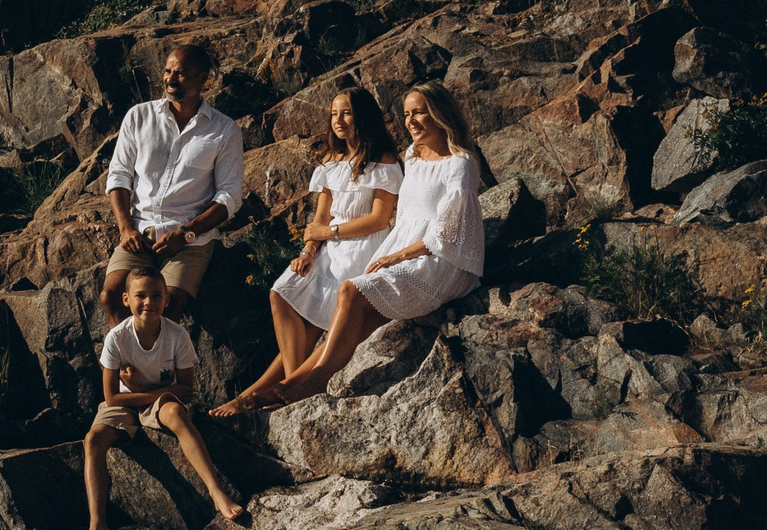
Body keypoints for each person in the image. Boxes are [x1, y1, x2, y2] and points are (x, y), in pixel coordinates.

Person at [222, 81, 488, 410]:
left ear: (440, 113)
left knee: (350, 291)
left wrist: (397, 255)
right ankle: (288, 385)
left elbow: (449, 230)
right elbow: (402, 218)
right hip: (402, 253)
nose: (411, 121)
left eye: (419, 112)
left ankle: (314, 382)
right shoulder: (414, 156)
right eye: (407, 114)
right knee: (353, 318)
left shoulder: (460, 163)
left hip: (439, 262)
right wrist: (313, 249)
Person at [212, 87, 400, 416]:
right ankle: (289, 388)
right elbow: (321, 217)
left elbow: (379, 219)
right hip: (328, 248)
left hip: (363, 248)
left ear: (363, 116)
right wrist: (309, 251)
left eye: (347, 113)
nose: (338, 120)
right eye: (334, 114)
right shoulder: (332, 162)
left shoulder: (383, 160)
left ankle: (261, 395)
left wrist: (329, 233)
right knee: (281, 293)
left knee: (313, 326)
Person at [75, 269, 247, 530]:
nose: (148, 302)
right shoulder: (117, 338)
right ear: (126, 300)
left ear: (167, 300)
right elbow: (111, 397)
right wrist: (150, 391)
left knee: (177, 415)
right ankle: (98, 526)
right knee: (93, 440)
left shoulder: (176, 335)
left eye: (156, 295)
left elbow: (187, 390)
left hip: (156, 400)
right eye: (140, 295)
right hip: (125, 402)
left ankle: (216, 492)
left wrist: (142, 388)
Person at [101, 40, 243, 324]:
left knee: (167, 307)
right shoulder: (139, 116)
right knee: (112, 296)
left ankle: (160, 355)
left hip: (190, 242)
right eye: (167, 71)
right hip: (140, 233)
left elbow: (229, 197)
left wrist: (186, 233)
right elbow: (119, 175)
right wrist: (126, 228)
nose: (170, 79)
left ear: (203, 79)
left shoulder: (224, 130)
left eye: (181, 73)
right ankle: (124, 354)